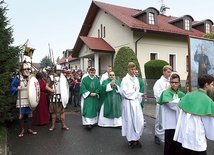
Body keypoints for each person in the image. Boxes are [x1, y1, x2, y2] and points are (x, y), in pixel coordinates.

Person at [173, 74, 214, 155]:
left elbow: (179, 113)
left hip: (183, 138)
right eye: (212, 84)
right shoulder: (208, 101)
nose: (213, 87)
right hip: (197, 141)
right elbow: (210, 125)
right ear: (206, 85)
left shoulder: (188, 95)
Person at [158, 73, 185, 155]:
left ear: (179, 83)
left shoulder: (182, 94)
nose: (173, 84)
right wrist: (181, 101)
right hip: (170, 124)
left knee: (178, 146)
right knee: (169, 147)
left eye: (176, 82)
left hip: (179, 124)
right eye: (172, 82)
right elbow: (170, 104)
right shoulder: (166, 93)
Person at [120, 62, 146, 149]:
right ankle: (131, 140)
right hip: (129, 103)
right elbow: (123, 92)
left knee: (139, 121)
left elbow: (137, 91)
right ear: (128, 69)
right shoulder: (125, 79)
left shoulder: (136, 79)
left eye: (134, 69)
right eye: (132, 69)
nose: (133, 71)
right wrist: (133, 91)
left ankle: (137, 138)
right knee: (130, 122)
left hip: (136, 103)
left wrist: (140, 95)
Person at [10, 61, 37, 137]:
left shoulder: (31, 78)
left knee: (30, 114)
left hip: (29, 99)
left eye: (28, 69)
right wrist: (16, 88)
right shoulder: (17, 78)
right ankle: (22, 130)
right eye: (26, 69)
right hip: (21, 99)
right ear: (22, 70)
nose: (27, 71)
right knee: (21, 115)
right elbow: (12, 87)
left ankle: (29, 129)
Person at [153, 65, 172, 145]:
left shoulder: (170, 82)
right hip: (161, 105)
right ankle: (157, 135)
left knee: (167, 121)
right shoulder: (159, 82)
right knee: (159, 121)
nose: (169, 74)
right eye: (168, 72)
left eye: (170, 72)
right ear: (163, 72)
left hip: (168, 105)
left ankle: (165, 137)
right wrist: (166, 89)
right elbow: (157, 94)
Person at [49, 65, 69, 131]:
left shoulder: (63, 78)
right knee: (53, 112)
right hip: (54, 97)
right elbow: (46, 86)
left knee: (62, 112)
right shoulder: (51, 77)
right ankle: (53, 126)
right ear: (55, 70)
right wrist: (51, 90)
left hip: (61, 97)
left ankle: (63, 125)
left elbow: (66, 87)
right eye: (58, 70)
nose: (59, 72)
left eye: (60, 70)